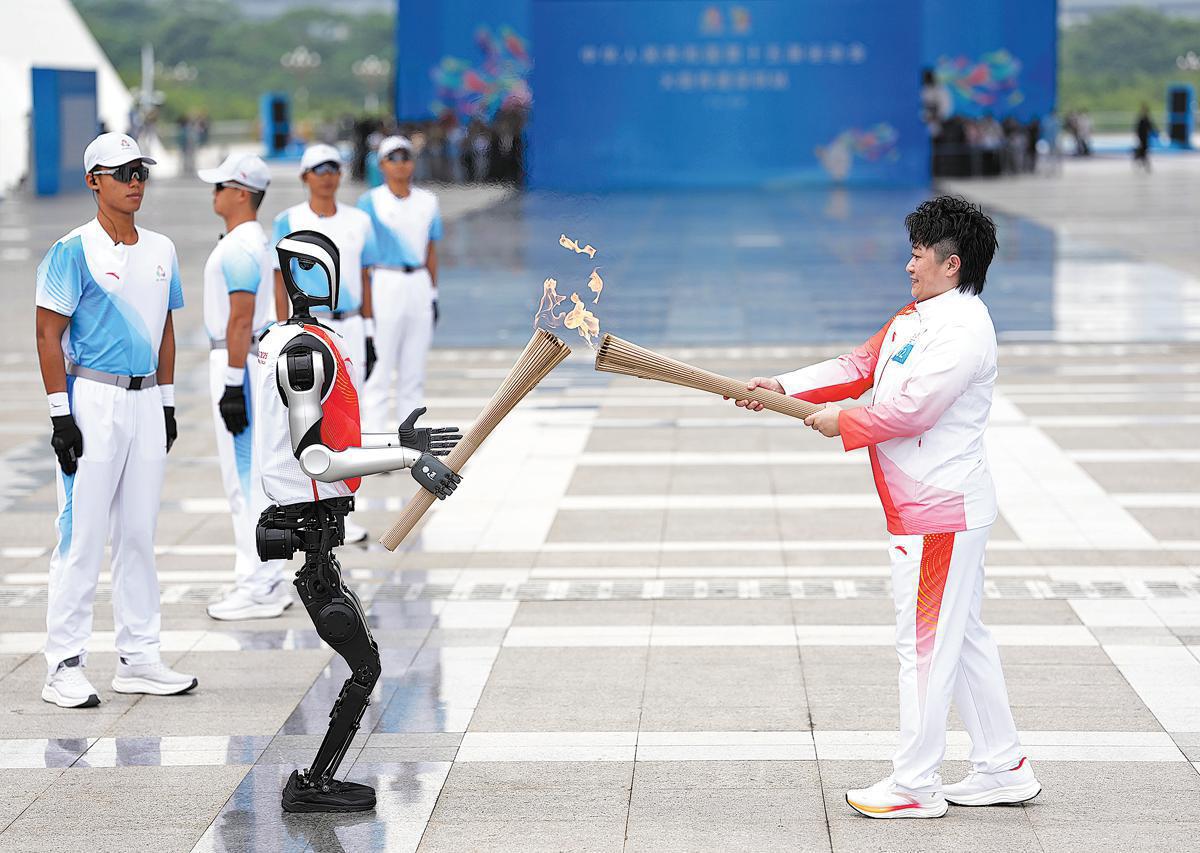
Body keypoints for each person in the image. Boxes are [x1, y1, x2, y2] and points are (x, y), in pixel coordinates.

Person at [733, 196, 1039, 818]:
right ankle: (1002, 765)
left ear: (951, 264)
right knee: (964, 636)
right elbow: (860, 365)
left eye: (918, 254)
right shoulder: (915, 318)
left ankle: (916, 785)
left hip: (940, 515)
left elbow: (911, 413)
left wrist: (840, 422)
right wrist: (782, 388)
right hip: (927, 512)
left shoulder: (964, 330)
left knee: (924, 645)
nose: (908, 265)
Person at [258, 229, 462, 811]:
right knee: (365, 663)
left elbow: (333, 436)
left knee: (364, 660)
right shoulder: (303, 352)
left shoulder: (305, 341)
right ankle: (313, 785)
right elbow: (317, 458)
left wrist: (398, 442)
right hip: (307, 524)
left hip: (317, 530)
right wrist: (405, 460)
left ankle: (318, 779)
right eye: (314, 270)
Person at [34, 132, 197, 708]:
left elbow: (167, 329)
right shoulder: (70, 250)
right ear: (93, 181)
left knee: (138, 535)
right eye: (122, 172)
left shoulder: (161, 249)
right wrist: (61, 416)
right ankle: (64, 665)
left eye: (141, 172)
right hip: (93, 401)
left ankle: (139, 656)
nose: (135, 182)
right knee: (81, 536)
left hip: (146, 400)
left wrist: (169, 401)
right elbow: (48, 335)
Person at [197, 153, 291, 620]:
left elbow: (239, 319)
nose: (212, 194)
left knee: (243, 479)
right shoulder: (260, 241)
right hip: (254, 358)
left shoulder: (239, 246)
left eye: (219, 186)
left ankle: (257, 585)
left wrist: (233, 383)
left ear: (240, 193)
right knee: (256, 475)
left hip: (240, 362)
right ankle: (265, 577)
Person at [271, 143, 379, 544]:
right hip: (307, 329)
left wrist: (369, 330)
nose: (327, 176)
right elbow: (277, 277)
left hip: (348, 326)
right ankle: (312, 509)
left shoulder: (359, 221)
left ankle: (347, 512)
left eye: (333, 168)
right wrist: (280, 327)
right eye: (319, 169)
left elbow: (366, 277)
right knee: (307, 421)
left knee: (348, 422)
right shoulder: (288, 220)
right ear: (304, 177)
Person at [357, 136, 442, 433]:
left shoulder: (428, 202)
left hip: (418, 282)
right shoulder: (369, 203)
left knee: (413, 370)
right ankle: (377, 441)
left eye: (406, 157)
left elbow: (431, 251)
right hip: (385, 281)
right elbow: (361, 259)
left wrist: (433, 294)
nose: (400, 164)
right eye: (393, 158)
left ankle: (411, 443)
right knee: (380, 368)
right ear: (381, 164)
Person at [1134, 105, 1157, 172]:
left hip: (1145, 137)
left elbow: (1151, 127)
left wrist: (1155, 133)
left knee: (1144, 149)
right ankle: (1142, 160)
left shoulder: (1146, 119)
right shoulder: (1141, 119)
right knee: (1144, 149)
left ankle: (1142, 160)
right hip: (1142, 137)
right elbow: (1138, 128)